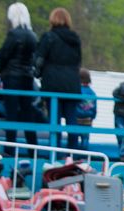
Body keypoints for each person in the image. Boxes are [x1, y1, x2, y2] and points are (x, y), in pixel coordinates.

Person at [34, 7, 82, 150]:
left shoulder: (48, 37)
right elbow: (78, 61)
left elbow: (39, 60)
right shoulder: (75, 39)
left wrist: (37, 73)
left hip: (52, 84)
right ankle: (73, 152)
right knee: (72, 120)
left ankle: (55, 152)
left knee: (55, 122)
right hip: (72, 84)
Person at [0, 2, 39, 152]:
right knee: (28, 112)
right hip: (27, 77)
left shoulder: (13, 34)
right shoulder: (33, 36)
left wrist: (1, 71)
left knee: (11, 113)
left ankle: (10, 148)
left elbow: (3, 55)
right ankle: (32, 147)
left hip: (12, 77)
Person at [75, 68, 97, 151]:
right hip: (88, 119)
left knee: (74, 137)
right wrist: (93, 117)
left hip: (76, 118)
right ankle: (84, 154)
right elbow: (94, 108)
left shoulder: (76, 91)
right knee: (85, 138)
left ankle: (74, 154)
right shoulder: (92, 93)